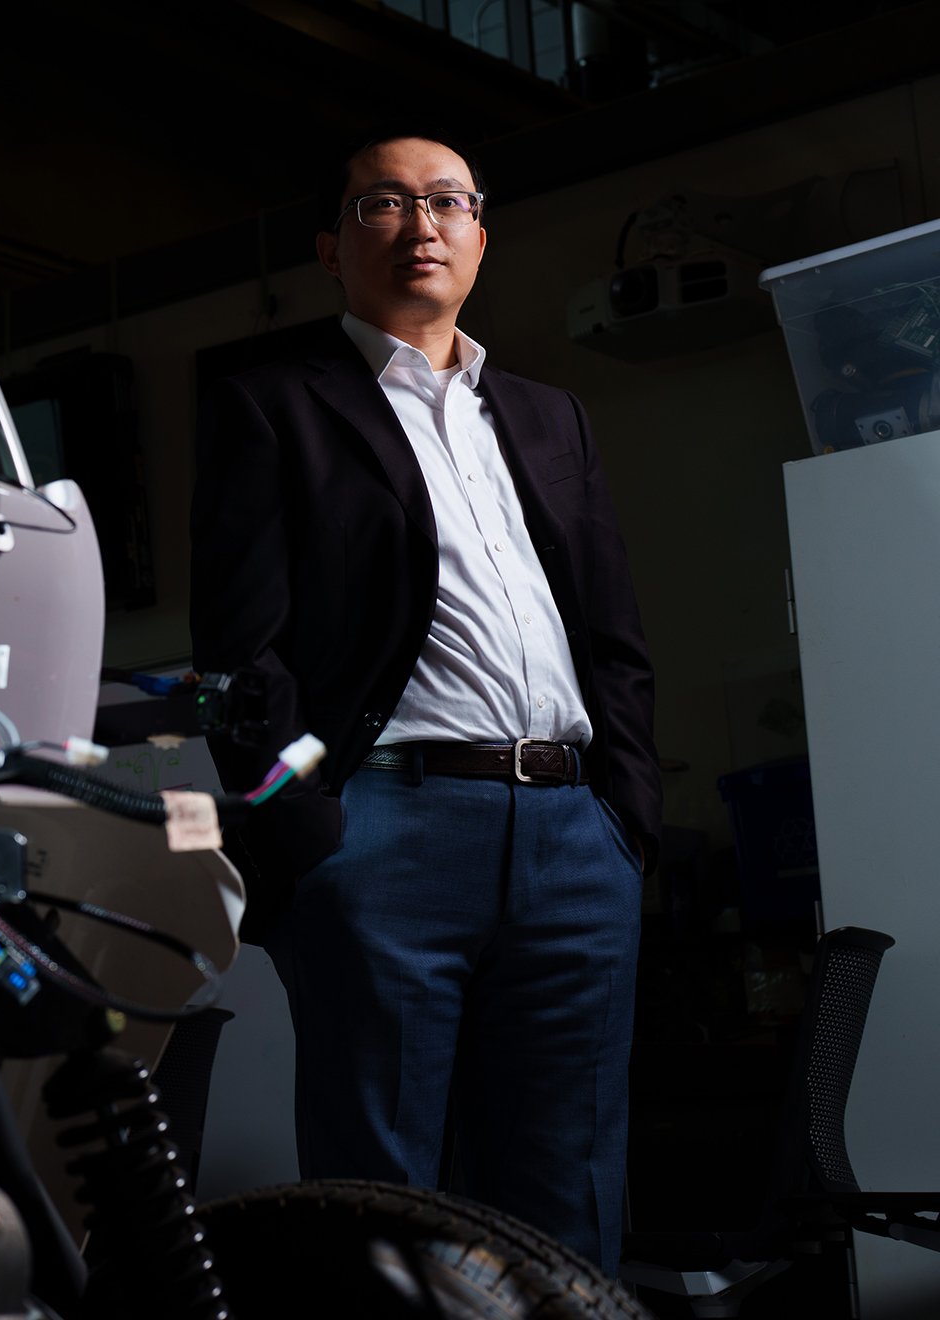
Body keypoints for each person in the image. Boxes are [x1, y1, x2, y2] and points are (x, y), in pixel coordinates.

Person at [188, 133, 661, 1272]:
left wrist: (624, 819)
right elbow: (242, 667)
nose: (421, 224)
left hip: (570, 837)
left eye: (447, 201)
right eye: (383, 204)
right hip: (386, 837)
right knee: (382, 1201)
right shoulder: (272, 406)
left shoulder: (550, 417)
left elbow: (612, 635)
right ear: (330, 246)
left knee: (569, 1189)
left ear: (481, 234)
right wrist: (310, 838)